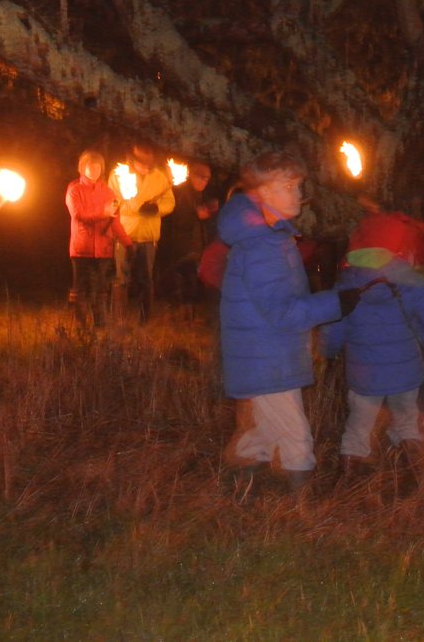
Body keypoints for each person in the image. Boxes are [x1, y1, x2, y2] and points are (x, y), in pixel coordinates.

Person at [217, 150, 359, 492]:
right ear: (263, 193)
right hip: (269, 360)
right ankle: (302, 514)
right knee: (294, 435)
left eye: (299, 185)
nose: (298, 193)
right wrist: (337, 302)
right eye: (289, 185)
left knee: (259, 430)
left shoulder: (264, 238)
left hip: (262, 355)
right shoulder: (263, 246)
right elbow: (284, 312)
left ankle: (242, 493)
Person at [319, 213, 424, 479]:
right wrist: (418, 336)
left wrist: (327, 351)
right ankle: (413, 476)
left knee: (359, 428)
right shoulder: (412, 280)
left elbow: (333, 326)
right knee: (407, 423)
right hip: (406, 373)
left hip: (364, 375)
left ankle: (350, 480)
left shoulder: (346, 283)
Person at [108, 142, 174, 322]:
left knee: (146, 280)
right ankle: (118, 319)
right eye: (142, 164)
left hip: (149, 236)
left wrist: (156, 208)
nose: (146, 167)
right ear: (132, 161)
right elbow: (113, 202)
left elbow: (170, 202)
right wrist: (138, 206)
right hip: (125, 235)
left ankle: (145, 320)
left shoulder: (160, 177)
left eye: (149, 164)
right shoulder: (119, 175)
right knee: (122, 279)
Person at [66, 150, 132, 328]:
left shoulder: (108, 192)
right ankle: (79, 325)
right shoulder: (74, 190)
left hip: (104, 249)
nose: (94, 170)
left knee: (101, 289)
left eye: (98, 167)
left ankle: (100, 325)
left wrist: (127, 243)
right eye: (90, 166)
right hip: (82, 249)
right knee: (81, 288)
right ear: (82, 168)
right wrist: (103, 212)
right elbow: (78, 215)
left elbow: (115, 221)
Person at [159, 160, 219, 317]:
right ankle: (182, 312)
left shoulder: (198, 194)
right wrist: (198, 214)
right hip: (181, 243)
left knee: (192, 277)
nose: (204, 182)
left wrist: (206, 213)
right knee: (183, 276)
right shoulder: (181, 192)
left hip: (195, 243)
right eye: (201, 178)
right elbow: (177, 218)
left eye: (207, 179)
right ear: (191, 176)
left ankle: (190, 313)